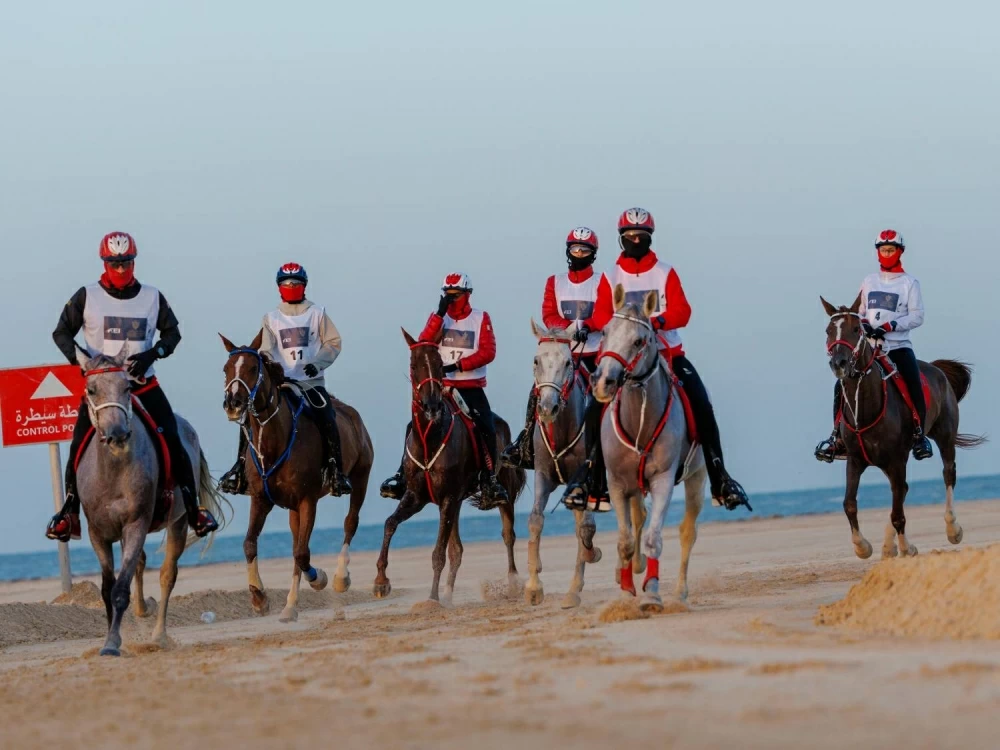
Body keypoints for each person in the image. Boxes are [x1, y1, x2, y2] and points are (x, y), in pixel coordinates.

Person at [563, 207, 751, 512]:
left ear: (650, 237)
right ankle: (589, 480)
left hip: (667, 354)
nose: (636, 240)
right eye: (630, 236)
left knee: (702, 404)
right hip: (622, 360)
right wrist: (622, 326)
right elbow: (599, 315)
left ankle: (721, 480)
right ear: (621, 239)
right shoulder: (611, 277)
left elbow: (683, 311)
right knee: (594, 408)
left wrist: (657, 323)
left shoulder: (665, 272)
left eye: (642, 236)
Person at [46, 232, 220, 541]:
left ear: (133, 261)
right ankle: (69, 513)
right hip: (104, 391)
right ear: (105, 262)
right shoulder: (86, 296)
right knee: (78, 444)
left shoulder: (152, 297)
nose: (121, 268)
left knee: (173, 438)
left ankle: (194, 511)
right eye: (115, 263)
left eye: (126, 262)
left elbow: (172, 335)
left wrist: (154, 353)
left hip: (142, 384)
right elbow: (61, 333)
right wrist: (85, 363)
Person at [218, 263, 352, 496]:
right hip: (282, 383)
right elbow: (267, 350)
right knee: (250, 418)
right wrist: (274, 370)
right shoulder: (271, 319)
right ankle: (239, 469)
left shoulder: (317, 313)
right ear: (279, 287)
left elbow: (333, 343)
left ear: (304, 286)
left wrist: (318, 363)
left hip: (310, 382)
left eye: (296, 284)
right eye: (287, 284)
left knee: (327, 415)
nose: (291, 287)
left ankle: (335, 472)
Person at [380, 273, 508, 503]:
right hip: (442, 388)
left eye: (455, 296)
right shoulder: (440, 319)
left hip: (470, 386)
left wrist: (459, 365)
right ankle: (402, 476)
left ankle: (490, 479)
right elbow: (421, 344)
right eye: (446, 296)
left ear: (467, 295)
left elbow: (489, 351)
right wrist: (439, 314)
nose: (451, 300)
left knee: (486, 425)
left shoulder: (480, 318)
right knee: (414, 424)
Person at [501, 227, 611, 486]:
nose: (579, 253)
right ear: (568, 251)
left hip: (594, 353)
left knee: (608, 395)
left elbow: (606, 313)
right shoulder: (555, 282)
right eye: (575, 249)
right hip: (563, 352)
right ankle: (526, 442)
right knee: (537, 391)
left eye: (584, 250)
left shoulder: (602, 281)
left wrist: (588, 326)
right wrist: (570, 329)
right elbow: (548, 313)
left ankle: (611, 449)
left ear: (592, 254)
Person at [815, 229, 933, 462]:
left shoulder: (910, 283)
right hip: (869, 346)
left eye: (891, 250)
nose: (887, 254)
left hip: (898, 345)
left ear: (900, 252)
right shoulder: (869, 281)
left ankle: (919, 435)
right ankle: (837, 437)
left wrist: (889, 327)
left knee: (913, 380)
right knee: (842, 384)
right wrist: (866, 324)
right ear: (877, 252)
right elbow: (860, 312)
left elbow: (917, 316)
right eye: (883, 250)